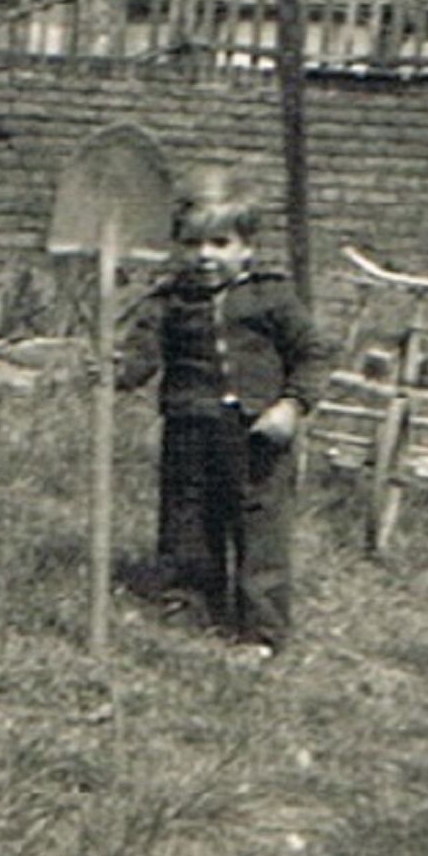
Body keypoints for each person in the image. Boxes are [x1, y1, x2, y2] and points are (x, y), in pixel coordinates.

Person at [116, 167, 325, 655]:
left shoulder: (271, 297)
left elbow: (312, 354)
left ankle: (260, 630)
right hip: (189, 427)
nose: (204, 256)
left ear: (247, 246)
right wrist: (116, 369)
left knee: (259, 528)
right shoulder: (169, 302)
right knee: (187, 518)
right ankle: (189, 605)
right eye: (192, 244)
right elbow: (142, 357)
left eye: (220, 242)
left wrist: (292, 405)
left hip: (256, 433)